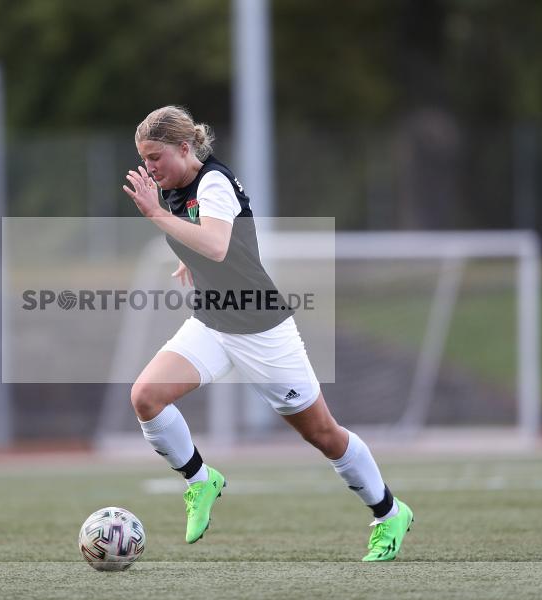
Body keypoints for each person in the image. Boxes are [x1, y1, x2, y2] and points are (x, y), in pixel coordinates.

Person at [121, 105, 413, 561]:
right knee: (146, 396)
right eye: (144, 157)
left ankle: (389, 512)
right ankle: (201, 481)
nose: (149, 167)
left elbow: (217, 245)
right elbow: (211, 243)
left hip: (261, 330)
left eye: (156, 157)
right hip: (213, 321)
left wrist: (159, 217)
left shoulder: (212, 182)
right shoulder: (174, 190)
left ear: (185, 147)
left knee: (322, 433)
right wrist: (184, 252)